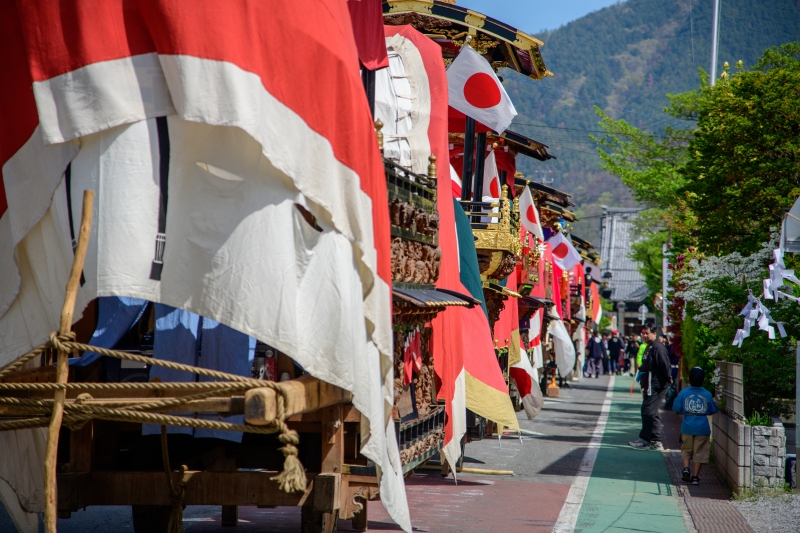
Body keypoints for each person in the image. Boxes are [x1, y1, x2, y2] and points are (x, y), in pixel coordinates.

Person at [629, 325, 672, 450]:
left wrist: (668, 378)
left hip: (656, 385)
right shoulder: (649, 346)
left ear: (654, 333)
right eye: (642, 333)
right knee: (653, 412)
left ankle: (645, 439)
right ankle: (656, 440)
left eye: (647, 333)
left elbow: (664, 364)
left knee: (648, 411)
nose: (644, 335)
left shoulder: (658, 347)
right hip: (649, 383)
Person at [672, 367, 718, 484]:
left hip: (687, 426)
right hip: (702, 427)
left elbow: (676, 407)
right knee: (700, 452)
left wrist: (685, 411)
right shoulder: (707, 394)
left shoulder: (684, 392)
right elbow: (713, 409)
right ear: (703, 380)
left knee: (686, 449)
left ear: (689, 378)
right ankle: (695, 477)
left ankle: (686, 468)